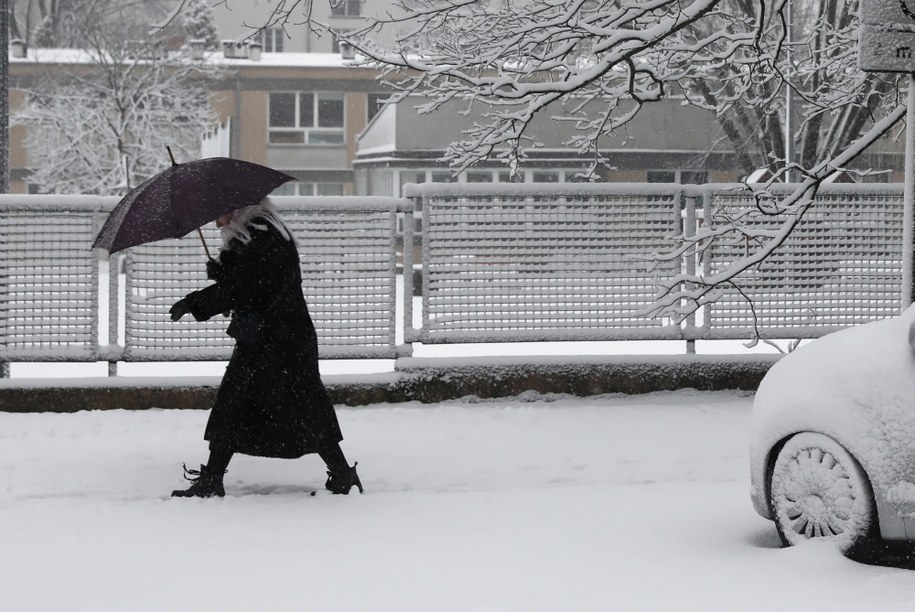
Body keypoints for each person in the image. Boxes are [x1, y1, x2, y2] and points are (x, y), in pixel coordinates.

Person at [168, 198, 362, 498]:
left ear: (237, 207)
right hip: (271, 338)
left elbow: (247, 286)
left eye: (218, 212)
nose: (216, 221)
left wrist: (197, 300)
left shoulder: (264, 234)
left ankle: (341, 474)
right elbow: (250, 283)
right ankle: (214, 477)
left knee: (295, 408)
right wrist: (223, 272)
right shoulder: (260, 233)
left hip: (280, 341)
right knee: (247, 405)